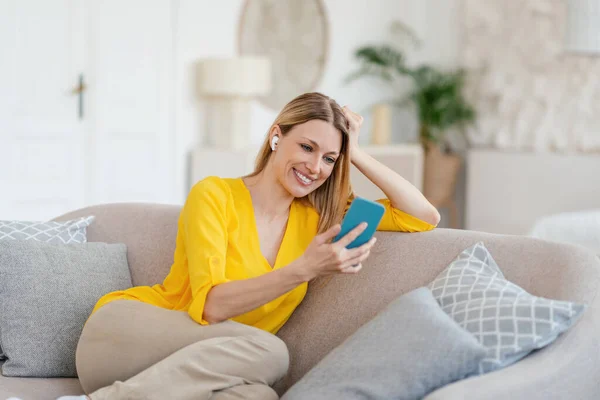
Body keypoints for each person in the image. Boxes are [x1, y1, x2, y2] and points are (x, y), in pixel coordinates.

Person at [52, 92, 440, 400]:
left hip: (203, 367)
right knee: (272, 353)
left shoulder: (318, 217)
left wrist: (354, 151)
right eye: (306, 147)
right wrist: (305, 268)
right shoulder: (215, 194)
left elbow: (423, 216)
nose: (315, 167)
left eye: (328, 158)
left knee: (255, 396)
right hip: (123, 336)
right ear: (276, 136)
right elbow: (211, 306)